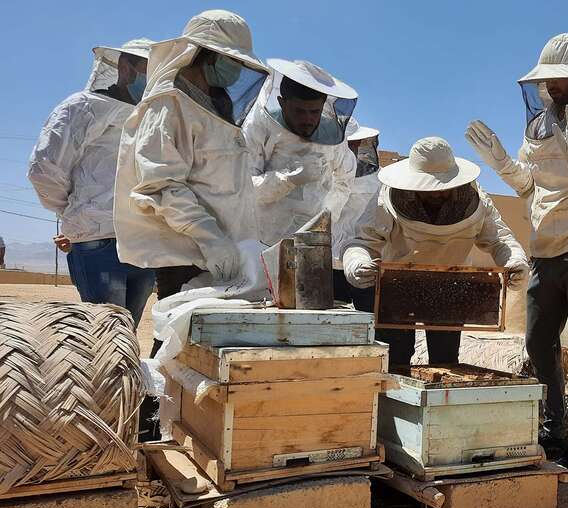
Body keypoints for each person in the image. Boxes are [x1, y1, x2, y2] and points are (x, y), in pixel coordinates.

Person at [465, 33, 568, 479]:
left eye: (557, 80)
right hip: (545, 251)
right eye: (545, 82)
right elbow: (528, 187)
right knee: (539, 343)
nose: (549, 88)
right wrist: (499, 160)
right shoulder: (539, 124)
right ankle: (553, 430)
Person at [112, 9, 268, 440]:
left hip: (224, 250)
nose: (234, 68)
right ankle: (149, 431)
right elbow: (160, 184)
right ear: (199, 54)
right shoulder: (168, 104)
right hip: (186, 251)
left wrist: (232, 242)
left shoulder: (216, 105)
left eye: (239, 61)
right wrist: (209, 237)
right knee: (175, 344)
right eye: (227, 58)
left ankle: (186, 430)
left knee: (202, 348)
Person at [342, 137, 529, 366]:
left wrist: (515, 260)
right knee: (395, 359)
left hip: (451, 289)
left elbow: (500, 240)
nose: (438, 193)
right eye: (429, 188)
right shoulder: (386, 197)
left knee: (446, 362)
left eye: (444, 188)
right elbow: (361, 242)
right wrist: (357, 263)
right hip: (397, 288)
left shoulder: (477, 200)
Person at [26, 39, 156, 325]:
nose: (152, 80)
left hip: (142, 243)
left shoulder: (149, 119)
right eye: (148, 70)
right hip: (98, 243)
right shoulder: (83, 106)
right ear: (125, 67)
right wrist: (79, 213)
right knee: (107, 336)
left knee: (126, 338)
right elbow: (44, 169)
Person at [243, 59, 359, 255]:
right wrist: (288, 179)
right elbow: (244, 189)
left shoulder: (332, 135)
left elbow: (345, 179)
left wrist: (326, 216)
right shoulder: (260, 127)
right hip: (262, 239)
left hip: (313, 242)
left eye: (314, 111)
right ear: (282, 102)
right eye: (299, 111)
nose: (308, 119)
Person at [333, 118, 382, 311]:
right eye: (350, 146)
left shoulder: (381, 180)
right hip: (326, 264)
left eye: (356, 145)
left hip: (366, 264)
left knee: (370, 324)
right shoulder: (319, 175)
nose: (355, 150)